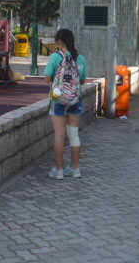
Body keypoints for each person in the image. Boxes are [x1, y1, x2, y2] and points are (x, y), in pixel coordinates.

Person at [44, 28, 87, 180]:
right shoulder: (80, 58)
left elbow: (48, 79)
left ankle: (59, 170)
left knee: (59, 135)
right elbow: (82, 81)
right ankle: (75, 169)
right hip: (76, 99)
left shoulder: (55, 57)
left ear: (60, 41)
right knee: (74, 135)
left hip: (58, 100)